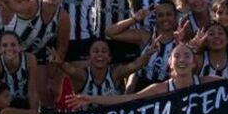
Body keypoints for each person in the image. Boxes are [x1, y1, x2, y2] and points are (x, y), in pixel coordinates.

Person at [67, 43, 217, 107]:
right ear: (170, 63)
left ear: (194, 63)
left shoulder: (208, 82)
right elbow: (128, 98)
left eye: (187, 56)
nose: (182, 60)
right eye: (177, 56)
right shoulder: (160, 88)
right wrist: (91, 98)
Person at [3, 0, 70, 106]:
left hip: (35, 55)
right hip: (10, 52)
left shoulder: (63, 16)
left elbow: (62, 47)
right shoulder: (32, 5)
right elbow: (7, 0)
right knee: (6, 91)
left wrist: (52, 75)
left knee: (45, 92)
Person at [48, 39, 160, 105]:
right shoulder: (83, 75)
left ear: (110, 58)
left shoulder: (115, 73)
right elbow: (70, 69)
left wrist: (148, 54)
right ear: (89, 58)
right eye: (95, 51)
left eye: (104, 51)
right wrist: (60, 63)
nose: (100, 54)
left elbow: (135, 65)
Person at [104, 0, 178, 92]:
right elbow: (110, 32)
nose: (165, 18)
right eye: (160, 15)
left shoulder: (180, 39)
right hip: (141, 88)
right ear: (155, 18)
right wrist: (134, 19)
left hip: (166, 90)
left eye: (169, 14)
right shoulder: (145, 36)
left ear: (175, 16)